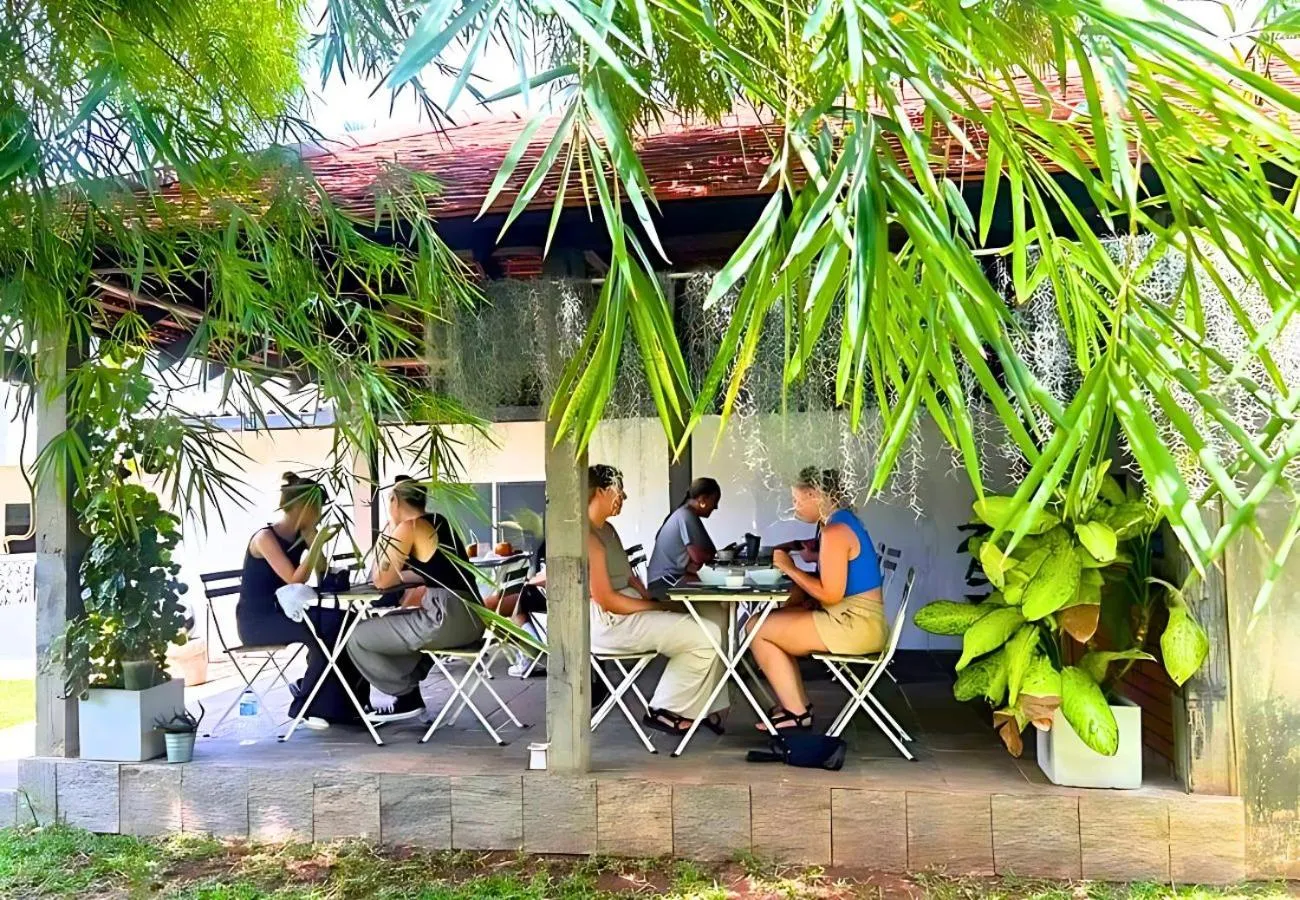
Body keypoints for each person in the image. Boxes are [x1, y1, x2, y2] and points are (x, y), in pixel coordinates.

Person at [585, 464, 728, 736]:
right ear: (601, 491)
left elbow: (630, 579)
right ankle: (666, 709)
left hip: (630, 609)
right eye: (619, 490)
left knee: (714, 617)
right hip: (611, 623)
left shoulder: (608, 530)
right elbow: (607, 601)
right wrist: (658, 607)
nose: (623, 497)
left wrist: (657, 602)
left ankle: (704, 707)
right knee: (706, 635)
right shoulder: (587, 536)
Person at [745, 467, 885, 731]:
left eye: (797, 500)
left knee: (756, 628)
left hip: (853, 626)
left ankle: (797, 712)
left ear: (815, 494)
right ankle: (796, 706)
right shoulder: (838, 522)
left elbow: (831, 595)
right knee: (769, 621)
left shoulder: (835, 531)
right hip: (861, 620)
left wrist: (789, 569)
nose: (794, 507)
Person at [346, 476, 486, 724]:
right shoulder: (437, 522)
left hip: (446, 620)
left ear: (394, 501)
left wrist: (389, 527)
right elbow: (420, 573)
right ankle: (407, 692)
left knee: (355, 636)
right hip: (472, 618)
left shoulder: (409, 527)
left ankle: (406, 694)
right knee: (391, 621)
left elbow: (380, 580)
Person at [236, 473, 364, 726]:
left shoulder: (300, 535)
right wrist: (315, 543)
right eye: (317, 509)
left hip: (287, 614)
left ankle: (343, 704)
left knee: (348, 622)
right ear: (302, 507)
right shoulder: (265, 538)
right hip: (259, 622)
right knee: (328, 628)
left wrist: (312, 541)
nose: (319, 514)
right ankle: (306, 704)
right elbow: (294, 580)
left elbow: (322, 573)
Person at [647, 478, 720, 594]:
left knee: (719, 588)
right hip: (665, 583)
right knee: (718, 590)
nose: (716, 507)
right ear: (702, 499)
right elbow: (698, 557)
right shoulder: (686, 515)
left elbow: (697, 561)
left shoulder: (686, 514)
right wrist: (707, 556)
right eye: (715, 500)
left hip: (671, 578)